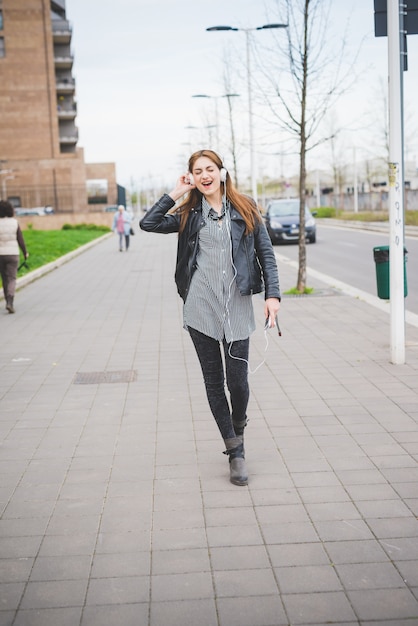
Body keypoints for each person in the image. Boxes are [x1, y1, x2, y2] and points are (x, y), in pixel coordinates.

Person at [140, 149, 281, 486]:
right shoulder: (189, 213)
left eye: (209, 169)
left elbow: (266, 253)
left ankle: (238, 423)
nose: (204, 176)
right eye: (197, 171)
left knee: (238, 382)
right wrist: (176, 192)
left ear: (222, 171)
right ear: (191, 176)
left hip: (237, 305)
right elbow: (149, 223)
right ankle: (236, 452)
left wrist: (272, 296)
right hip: (200, 307)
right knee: (214, 382)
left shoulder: (245, 207)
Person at [0, 200, 29, 314]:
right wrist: (25, 252)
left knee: (4, 278)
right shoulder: (14, 222)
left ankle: (7, 300)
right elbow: (20, 239)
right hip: (12, 253)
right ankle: (10, 302)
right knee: (12, 278)